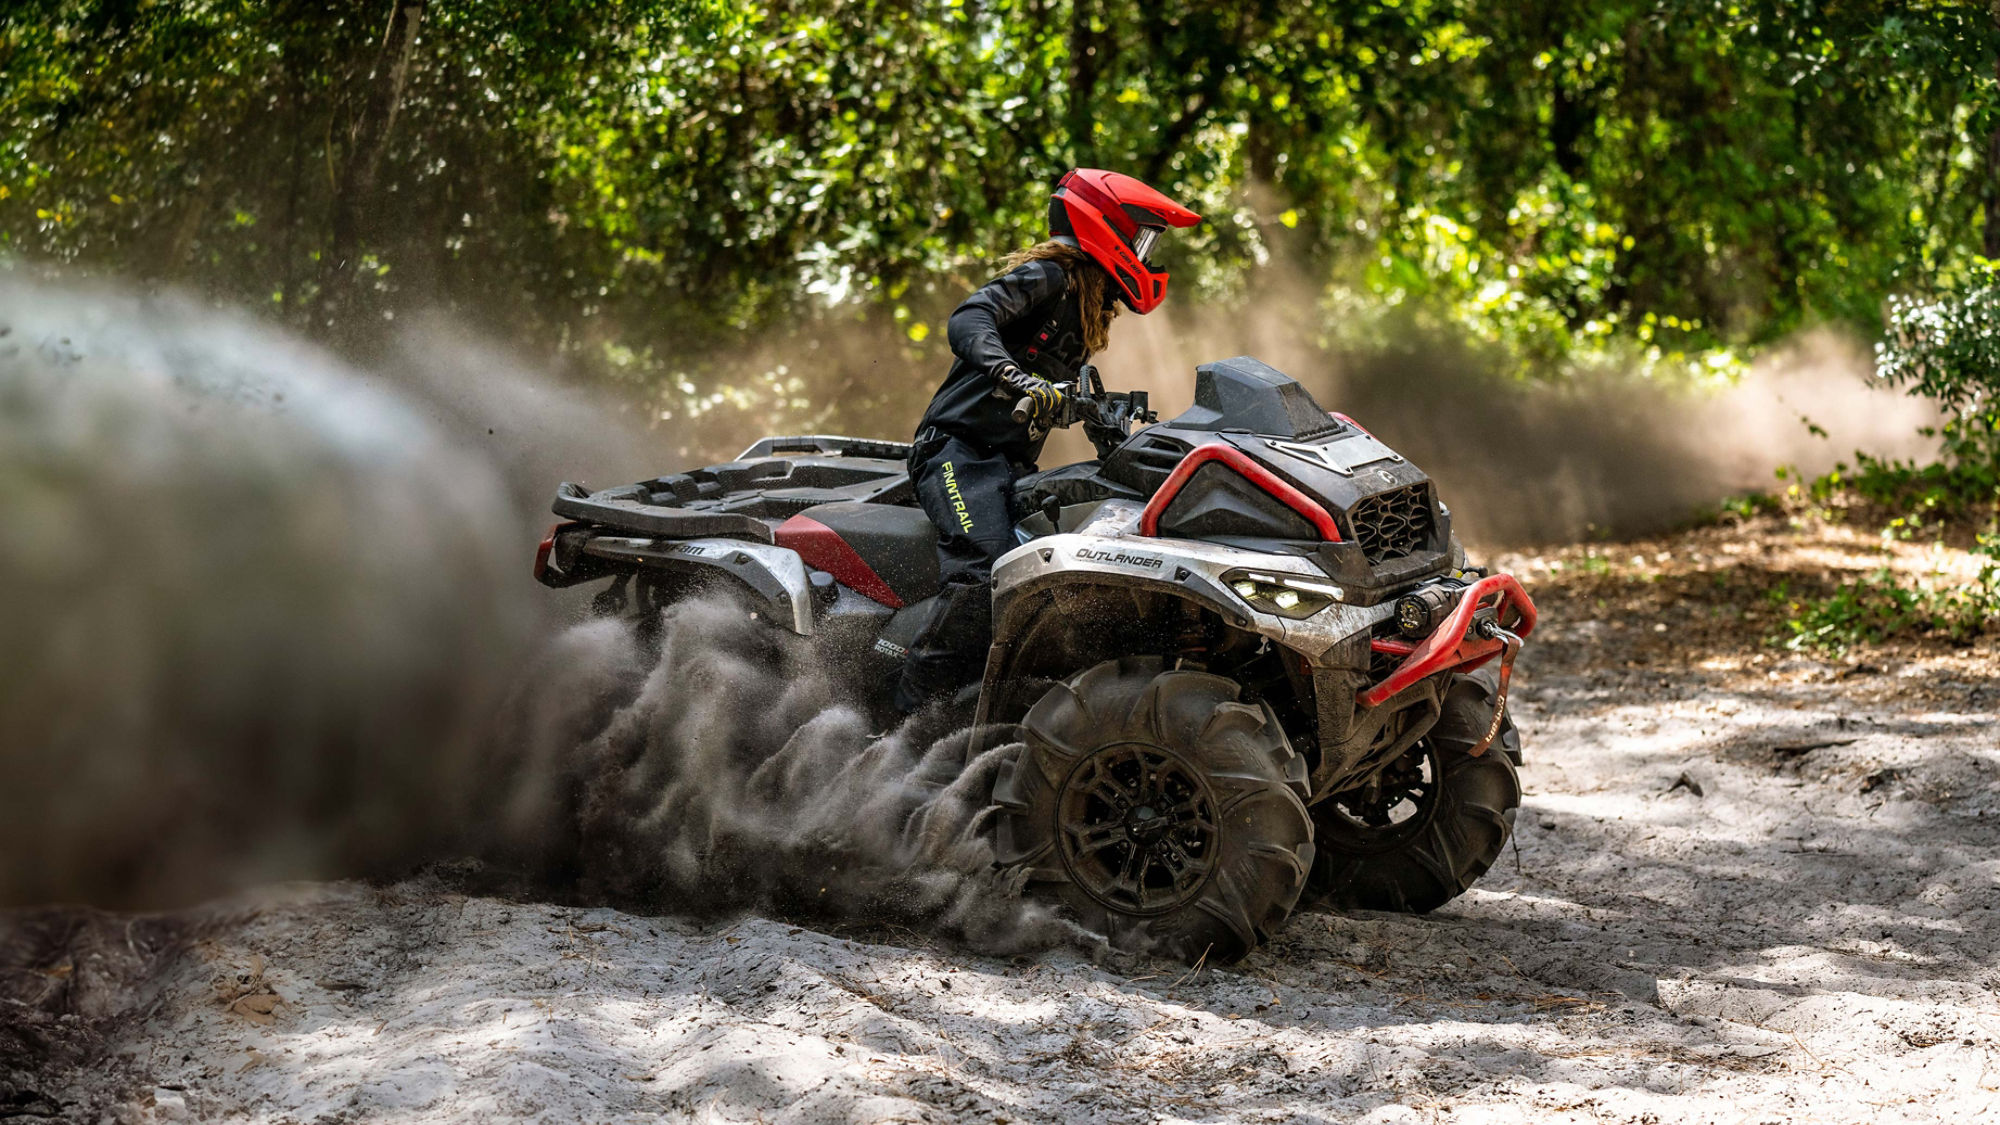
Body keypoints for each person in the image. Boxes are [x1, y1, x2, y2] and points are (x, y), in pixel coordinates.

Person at [893, 168, 1201, 713]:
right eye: (1142, 240)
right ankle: (905, 721)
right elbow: (970, 318)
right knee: (986, 573)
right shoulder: (1050, 277)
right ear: (1106, 228)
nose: (1147, 256)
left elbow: (1067, 395)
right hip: (955, 453)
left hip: (1006, 467)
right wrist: (1016, 378)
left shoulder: (1086, 299)